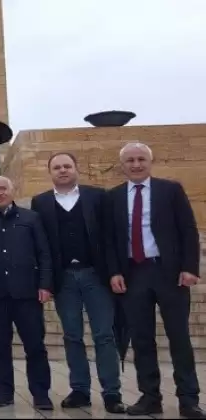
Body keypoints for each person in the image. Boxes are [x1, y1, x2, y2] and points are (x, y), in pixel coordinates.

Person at [106, 142, 205, 419]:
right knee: (141, 339)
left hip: (169, 274)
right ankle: (150, 397)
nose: (136, 165)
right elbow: (110, 239)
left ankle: (188, 399)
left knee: (179, 338)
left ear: (150, 162)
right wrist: (114, 272)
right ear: (122, 165)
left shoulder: (170, 190)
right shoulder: (113, 197)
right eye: (130, 160)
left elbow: (188, 229)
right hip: (133, 274)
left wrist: (190, 267)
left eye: (141, 159)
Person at [30, 152, 125, 413]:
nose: (62, 170)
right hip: (65, 279)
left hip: (96, 274)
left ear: (76, 169)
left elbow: (109, 237)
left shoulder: (97, 196)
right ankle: (80, 389)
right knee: (72, 335)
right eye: (57, 167)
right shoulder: (41, 202)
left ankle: (112, 392)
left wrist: (115, 271)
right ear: (50, 172)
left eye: (67, 166)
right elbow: (43, 247)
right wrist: (45, 281)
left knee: (104, 335)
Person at [0, 175, 54, 410]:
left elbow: (44, 253)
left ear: (12, 190)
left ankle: (41, 393)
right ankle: (4, 391)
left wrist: (45, 285)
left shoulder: (31, 218)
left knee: (35, 345)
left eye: (3, 188)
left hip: (27, 293)